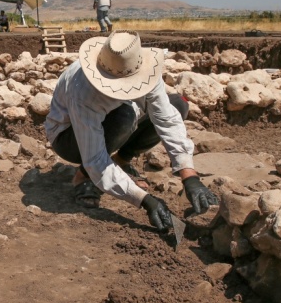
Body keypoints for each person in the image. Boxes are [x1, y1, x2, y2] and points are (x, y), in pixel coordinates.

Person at [44, 31, 218, 232]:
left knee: (178, 105)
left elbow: (166, 119)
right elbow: (95, 159)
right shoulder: (84, 90)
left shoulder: (144, 70)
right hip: (68, 137)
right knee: (123, 118)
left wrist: (190, 177)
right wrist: (145, 200)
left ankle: (121, 160)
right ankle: (83, 177)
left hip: (122, 120)